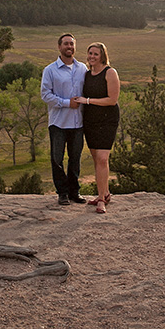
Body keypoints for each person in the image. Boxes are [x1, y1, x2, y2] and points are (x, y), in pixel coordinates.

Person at [41, 33, 88, 206]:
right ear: (59, 47)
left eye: (72, 44)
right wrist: (67, 103)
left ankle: (75, 192)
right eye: (66, 44)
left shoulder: (82, 68)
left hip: (77, 123)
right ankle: (62, 193)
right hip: (58, 123)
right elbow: (45, 95)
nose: (69, 47)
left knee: (75, 159)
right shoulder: (50, 70)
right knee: (57, 159)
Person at [73, 42, 120, 214]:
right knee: (96, 159)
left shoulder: (110, 72)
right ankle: (105, 193)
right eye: (90, 53)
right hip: (90, 119)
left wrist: (88, 101)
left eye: (96, 54)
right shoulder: (87, 74)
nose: (92, 57)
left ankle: (101, 200)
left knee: (102, 158)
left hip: (107, 120)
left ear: (102, 56)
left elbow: (112, 100)